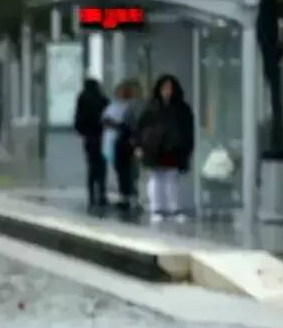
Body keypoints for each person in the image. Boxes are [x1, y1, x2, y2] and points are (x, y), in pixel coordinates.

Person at [136, 75, 195, 221]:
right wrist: (138, 146)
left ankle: (173, 208)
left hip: (174, 149)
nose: (167, 92)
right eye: (165, 88)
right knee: (157, 178)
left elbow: (188, 130)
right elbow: (141, 128)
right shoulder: (151, 108)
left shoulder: (182, 109)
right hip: (155, 149)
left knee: (172, 178)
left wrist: (188, 148)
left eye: (170, 88)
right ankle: (157, 208)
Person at [101, 79, 142, 212]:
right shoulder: (115, 106)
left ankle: (131, 198)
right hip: (118, 143)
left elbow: (130, 125)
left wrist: (116, 125)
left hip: (127, 143)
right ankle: (125, 197)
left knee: (130, 172)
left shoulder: (132, 107)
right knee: (122, 172)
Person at [74, 78, 110, 209]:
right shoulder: (102, 99)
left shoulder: (82, 98)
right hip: (102, 137)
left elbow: (78, 119)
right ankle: (102, 194)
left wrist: (83, 132)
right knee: (102, 166)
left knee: (91, 166)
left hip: (89, 137)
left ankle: (91, 195)